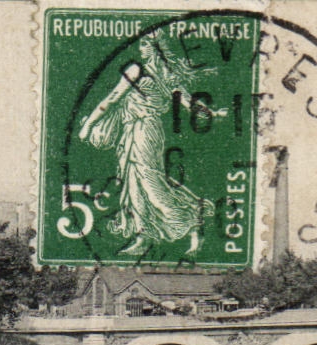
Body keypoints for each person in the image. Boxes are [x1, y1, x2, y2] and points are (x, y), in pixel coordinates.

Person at [79, 32, 217, 255]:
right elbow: (190, 103)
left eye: (144, 44)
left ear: (155, 49)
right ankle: (144, 234)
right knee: (133, 182)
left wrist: (88, 125)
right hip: (139, 131)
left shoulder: (138, 70)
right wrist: (210, 112)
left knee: (150, 183)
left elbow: (112, 98)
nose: (141, 48)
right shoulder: (168, 77)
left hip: (143, 131)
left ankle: (191, 222)